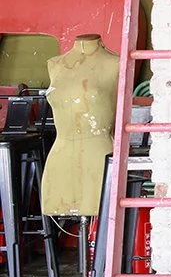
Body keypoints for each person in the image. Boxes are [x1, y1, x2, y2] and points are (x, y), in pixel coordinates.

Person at [41, 33, 118, 216]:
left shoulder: (116, 64)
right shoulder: (55, 64)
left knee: (102, 215)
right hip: (60, 154)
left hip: (98, 154)